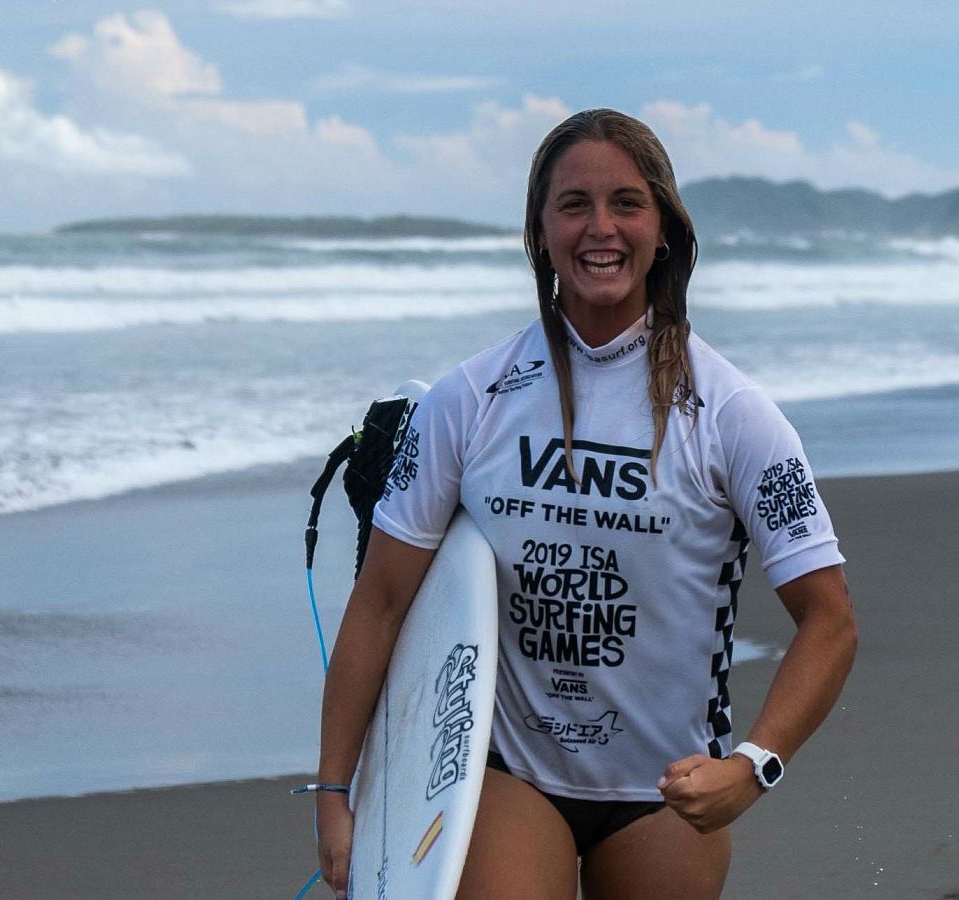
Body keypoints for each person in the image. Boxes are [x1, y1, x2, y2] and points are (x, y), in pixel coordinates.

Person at [313, 108, 858, 899]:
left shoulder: (736, 417)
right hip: (504, 773)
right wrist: (335, 792)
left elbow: (830, 618)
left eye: (626, 203)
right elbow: (383, 601)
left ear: (662, 225)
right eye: (574, 204)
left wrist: (754, 764)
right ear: (540, 231)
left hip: (667, 787)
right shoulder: (470, 402)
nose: (600, 227)